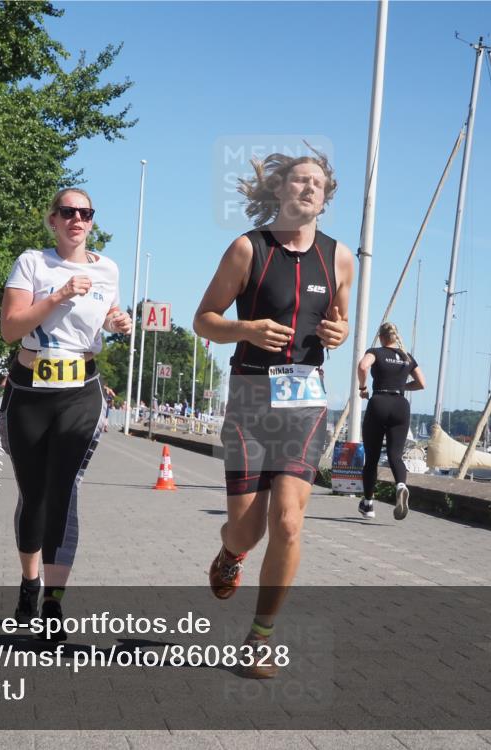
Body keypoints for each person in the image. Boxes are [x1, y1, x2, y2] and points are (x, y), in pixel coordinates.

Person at [194, 147, 353, 678]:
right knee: (247, 530)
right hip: (250, 397)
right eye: (299, 181)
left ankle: (259, 638)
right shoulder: (247, 249)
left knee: (288, 521)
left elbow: (341, 322)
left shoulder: (340, 258)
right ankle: (229, 555)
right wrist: (246, 329)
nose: (308, 188)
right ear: (281, 191)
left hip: (305, 401)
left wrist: (339, 332)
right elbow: (204, 320)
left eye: (317, 184)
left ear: (325, 197)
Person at [0, 187, 132, 639]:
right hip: (30, 389)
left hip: (82, 391)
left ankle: (53, 602)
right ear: (52, 219)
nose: (77, 219)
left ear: (92, 222)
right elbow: (10, 329)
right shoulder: (33, 263)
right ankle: (29, 581)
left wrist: (116, 323)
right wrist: (56, 295)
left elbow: (103, 318)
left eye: (86, 213)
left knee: (65, 491)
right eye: (68, 212)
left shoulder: (108, 269)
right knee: (33, 495)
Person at [356, 322, 426, 520]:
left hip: (379, 402)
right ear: (396, 337)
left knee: (372, 458)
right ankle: (401, 485)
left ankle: (368, 505)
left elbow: (362, 366)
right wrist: (403, 386)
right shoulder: (407, 357)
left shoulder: (376, 352)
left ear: (381, 337)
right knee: (395, 455)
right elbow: (422, 383)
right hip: (400, 405)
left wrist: (363, 388)